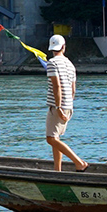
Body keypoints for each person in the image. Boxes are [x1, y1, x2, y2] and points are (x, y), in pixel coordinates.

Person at [44, 34, 87, 172]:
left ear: (51, 48)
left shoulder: (52, 63)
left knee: (50, 138)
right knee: (55, 138)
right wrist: (68, 105)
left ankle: (79, 162)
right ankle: (57, 170)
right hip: (68, 105)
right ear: (63, 47)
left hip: (58, 106)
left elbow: (57, 86)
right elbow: (73, 88)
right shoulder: (70, 64)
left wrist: (58, 107)